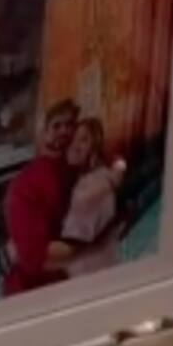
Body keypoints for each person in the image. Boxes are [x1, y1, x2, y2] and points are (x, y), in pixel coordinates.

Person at [1, 98, 78, 295]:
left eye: (70, 124)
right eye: (57, 125)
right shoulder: (24, 185)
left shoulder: (73, 172)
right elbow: (35, 257)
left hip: (62, 284)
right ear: (42, 132)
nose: (64, 131)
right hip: (32, 292)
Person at [61, 116, 128, 279]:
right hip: (101, 268)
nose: (75, 145)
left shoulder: (93, 186)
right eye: (73, 139)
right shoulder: (95, 177)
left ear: (95, 147)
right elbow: (120, 163)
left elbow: (73, 244)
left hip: (90, 273)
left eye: (84, 140)